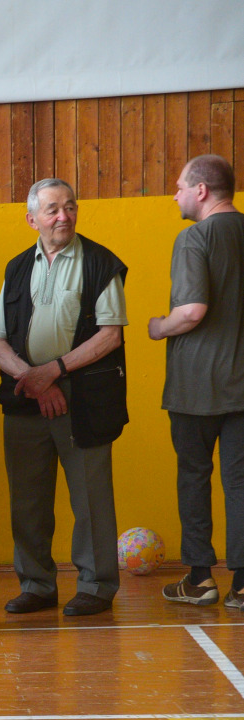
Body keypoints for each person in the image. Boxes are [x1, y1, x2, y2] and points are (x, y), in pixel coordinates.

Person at [0, 179, 129, 617]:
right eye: (52, 209)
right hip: (24, 395)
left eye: (69, 207)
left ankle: (96, 585)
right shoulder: (15, 267)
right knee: (27, 501)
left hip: (84, 399)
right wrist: (32, 378)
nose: (63, 216)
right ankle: (36, 584)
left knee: (90, 498)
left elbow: (110, 335)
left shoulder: (101, 262)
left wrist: (53, 372)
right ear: (32, 219)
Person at [150, 154, 244, 608]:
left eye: (180, 186)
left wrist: (158, 326)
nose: (175, 195)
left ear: (202, 190)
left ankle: (201, 578)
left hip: (196, 385)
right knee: (241, 482)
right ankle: (243, 586)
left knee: (194, 477)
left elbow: (191, 312)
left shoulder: (194, 238)